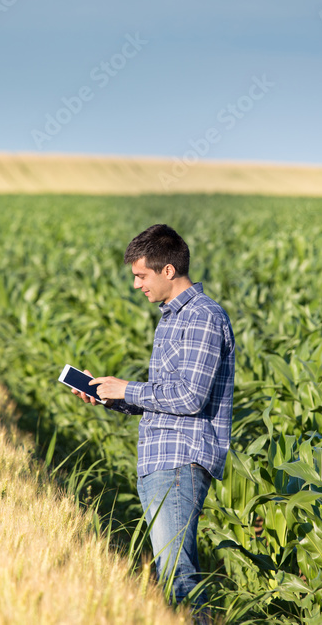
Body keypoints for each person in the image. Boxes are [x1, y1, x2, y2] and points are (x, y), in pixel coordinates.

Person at [71, 224, 235, 620]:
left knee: (178, 577)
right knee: (170, 574)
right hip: (162, 460)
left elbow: (190, 396)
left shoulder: (201, 316)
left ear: (167, 271)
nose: (135, 285)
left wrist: (127, 389)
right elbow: (166, 399)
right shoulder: (173, 318)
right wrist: (110, 395)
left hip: (180, 461)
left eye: (140, 275)